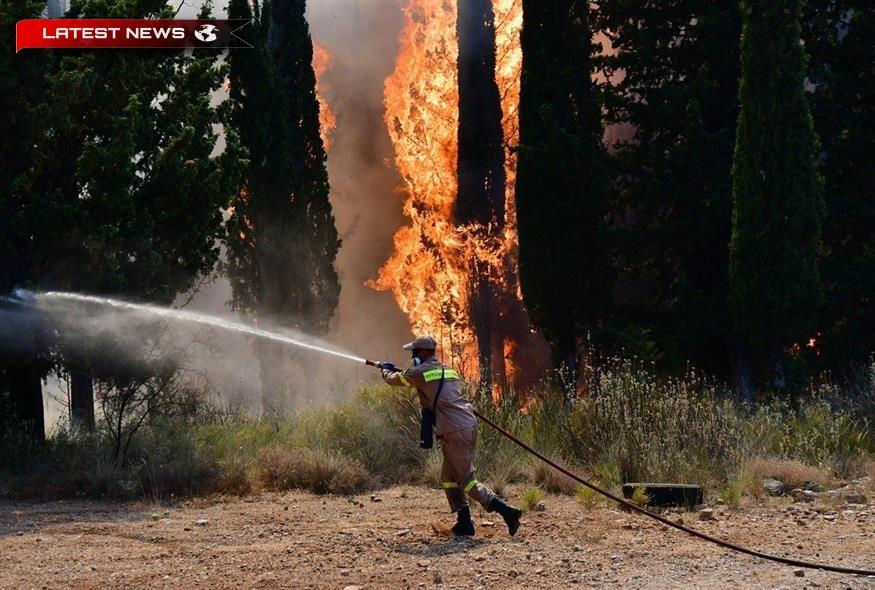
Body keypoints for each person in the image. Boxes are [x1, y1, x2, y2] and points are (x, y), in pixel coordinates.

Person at [381, 335, 522, 537]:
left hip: (454, 429)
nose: (412, 355)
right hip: (465, 424)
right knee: (448, 477)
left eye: (414, 352)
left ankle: (508, 512)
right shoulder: (448, 370)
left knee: (466, 480)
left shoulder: (421, 372)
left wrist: (385, 369)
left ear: (422, 353)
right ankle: (464, 522)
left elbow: (394, 380)